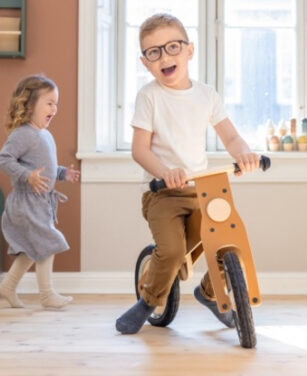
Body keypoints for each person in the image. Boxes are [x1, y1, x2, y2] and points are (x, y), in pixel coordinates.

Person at [115, 14, 260, 334]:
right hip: (162, 192)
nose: (165, 56)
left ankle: (210, 293)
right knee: (173, 250)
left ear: (189, 50)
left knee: (228, 241)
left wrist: (244, 154)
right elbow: (140, 150)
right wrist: (166, 173)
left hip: (201, 190)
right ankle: (148, 300)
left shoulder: (206, 95)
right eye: (154, 52)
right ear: (145, 62)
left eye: (172, 47)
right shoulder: (149, 96)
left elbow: (231, 137)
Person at [0, 74, 80, 309]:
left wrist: (63, 174)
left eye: (56, 104)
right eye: (49, 103)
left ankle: (9, 286)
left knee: (33, 248)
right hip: (25, 202)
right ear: (30, 104)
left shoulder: (45, 135)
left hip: (40, 202)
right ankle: (47, 295)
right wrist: (27, 176)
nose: (55, 108)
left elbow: (46, 167)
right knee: (48, 242)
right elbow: (3, 160)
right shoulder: (22, 133)